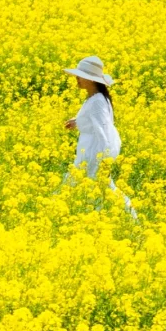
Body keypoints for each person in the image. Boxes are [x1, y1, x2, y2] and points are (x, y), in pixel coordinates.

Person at [63, 55, 136, 218]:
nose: (77, 79)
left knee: (96, 187)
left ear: (91, 80)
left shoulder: (96, 101)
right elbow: (96, 121)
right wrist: (78, 122)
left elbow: (104, 131)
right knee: (94, 188)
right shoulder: (96, 98)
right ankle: (121, 216)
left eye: (80, 76)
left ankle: (129, 216)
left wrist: (102, 160)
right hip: (91, 152)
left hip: (93, 154)